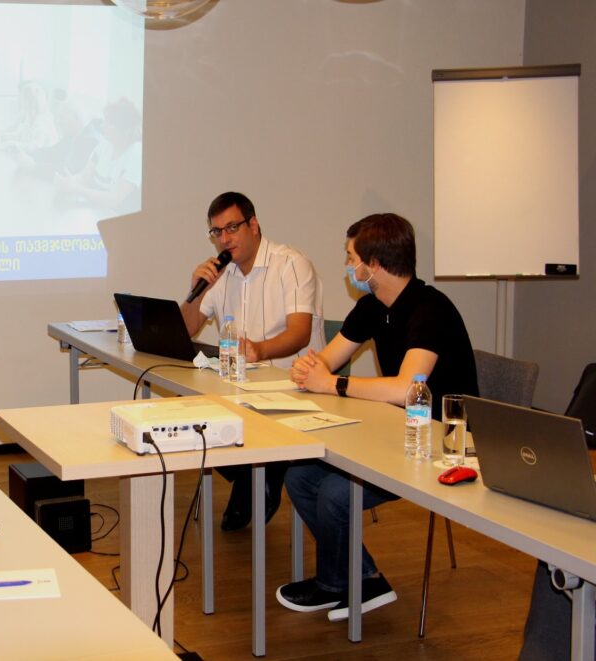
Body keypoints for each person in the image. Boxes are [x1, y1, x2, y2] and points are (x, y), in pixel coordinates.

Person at [281, 212, 478, 622]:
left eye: (351, 258)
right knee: (300, 476)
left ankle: (343, 583)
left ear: (373, 264)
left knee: (335, 493)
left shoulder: (430, 309)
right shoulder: (372, 306)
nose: (348, 266)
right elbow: (327, 361)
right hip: (397, 431)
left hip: (442, 444)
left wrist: (331, 383)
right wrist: (309, 369)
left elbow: (407, 388)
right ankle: (362, 579)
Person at [180, 191, 325, 531]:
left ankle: (266, 470)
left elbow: (300, 333)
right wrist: (196, 289)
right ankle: (255, 473)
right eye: (217, 232)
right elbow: (186, 328)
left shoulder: (291, 264)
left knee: (231, 421)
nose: (224, 239)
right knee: (190, 415)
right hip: (240, 388)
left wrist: (259, 350)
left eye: (232, 228)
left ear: (254, 225)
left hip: (294, 388)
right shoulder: (221, 273)